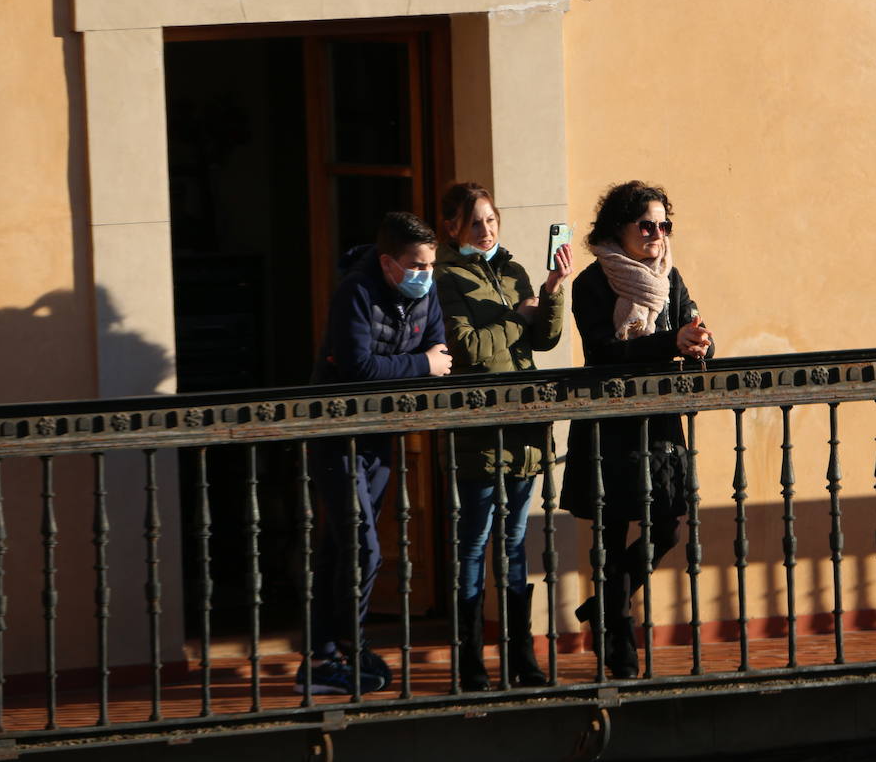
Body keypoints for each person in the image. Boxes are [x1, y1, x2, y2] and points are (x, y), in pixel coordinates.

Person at [560, 180, 714, 679]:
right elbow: (605, 352)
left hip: (660, 424)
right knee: (609, 533)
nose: (657, 233)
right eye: (646, 224)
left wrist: (698, 344)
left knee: (667, 525)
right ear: (617, 228)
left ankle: (603, 605)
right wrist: (672, 340)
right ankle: (618, 640)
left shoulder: (672, 278)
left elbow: (694, 329)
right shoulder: (591, 283)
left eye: (664, 224)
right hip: (611, 425)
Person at [302, 212, 452, 695]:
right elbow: (358, 365)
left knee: (340, 545)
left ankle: (322, 658)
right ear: (388, 263)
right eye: (415, 265)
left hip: (380, 434)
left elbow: (440, 348)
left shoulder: (426, 293)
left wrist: (426, 361)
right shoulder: (356, 292)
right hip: (336, 432)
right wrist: (421, 365)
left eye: (430, 265)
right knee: (362, 547)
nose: (425, 274)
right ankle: (351, 644)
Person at [434, 182, 572, 690]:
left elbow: (545, 338)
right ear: (452, 227)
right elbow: (465, 346)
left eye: (492, 220)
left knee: (514, 546)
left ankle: (522, 659)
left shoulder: (512, 271)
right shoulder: (444, 276)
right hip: (478, 425)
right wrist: (518, 317)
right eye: (475, 222)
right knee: (473, 545)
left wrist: (553, 288)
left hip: (523, 426)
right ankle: (471, 662)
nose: (486, 229)